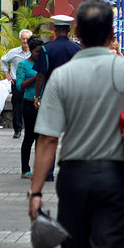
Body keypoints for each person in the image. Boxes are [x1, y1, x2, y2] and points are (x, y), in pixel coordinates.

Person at [27, 0, 124, 248]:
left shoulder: (62, 76)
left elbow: (48, 139)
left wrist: (36, 193)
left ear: (77, 33)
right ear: (112, 34)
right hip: (115, 179)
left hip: (74, 179)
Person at [34, 14, 81, 182]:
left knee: (50, 135)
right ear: (69, 30)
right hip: (72, 96)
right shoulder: (77, 49)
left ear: (54, 29)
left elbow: (41, 74)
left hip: (52, 95)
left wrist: (37, 96)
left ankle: (48, 173)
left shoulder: (46, 49)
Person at [17, 37, 44, 178]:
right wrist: (36, 77)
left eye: (41, 52)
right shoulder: (23, 65)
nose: (39, 55)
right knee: (29, 137)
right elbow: (19, 86)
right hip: (28, 104)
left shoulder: (45, 65)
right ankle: (25, 169)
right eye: (36, 52)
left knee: (42, 138)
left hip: (43, 104)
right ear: (31, 51)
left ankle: (40, 168)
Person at [0, 29, 33, 139]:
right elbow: (3, 60)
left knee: (31, 107)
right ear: (19, 40)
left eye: (27, 38)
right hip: (17, 83)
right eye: (23, 38)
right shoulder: (14, 52)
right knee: (17, 106)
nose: (25, 41)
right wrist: (7, 74)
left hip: (31, 84)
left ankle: (30, 130)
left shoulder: (35, 52)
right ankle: (17, 130)